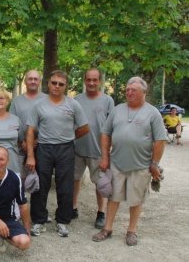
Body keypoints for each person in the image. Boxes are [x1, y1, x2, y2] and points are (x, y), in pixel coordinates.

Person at [92, 76, 166, 246]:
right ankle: (107, 229)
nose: (129, 93)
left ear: (144, 92)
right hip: (117, 163)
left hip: (141, 165)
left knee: (136, 199)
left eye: (134, 90)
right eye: (127, 90)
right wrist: (105, 157)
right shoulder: (117, 110)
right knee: (113, 197)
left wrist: (154, 164)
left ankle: (131, 231)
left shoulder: (152, 112)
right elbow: (105, 133)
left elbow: (160, 140)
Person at [26, 70, 89, 237]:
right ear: (48, 83)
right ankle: (39, 221)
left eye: (61, 84)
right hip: (44, 148)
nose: (57, 86)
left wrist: (69, 137)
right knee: (41, 186)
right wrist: (31, 155)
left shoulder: (73, 104)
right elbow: (30, 131)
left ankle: (62, 221)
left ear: (65, 86)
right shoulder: (39, 105)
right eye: (54, 83)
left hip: (65, 148)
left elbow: (84, 128)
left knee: (65, 186)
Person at [73, 68, 114, 228]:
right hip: (77, 149)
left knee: (100, 182)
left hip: (98, 150)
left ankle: (101, 212)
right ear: (84, 80)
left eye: (94, 80)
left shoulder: (107, 101)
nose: (91, 83)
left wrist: (107, 152)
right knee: (75, 179)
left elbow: (111, 127)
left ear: (100, 82)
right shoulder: (76, 100)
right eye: (88, 79)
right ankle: (73, 207)